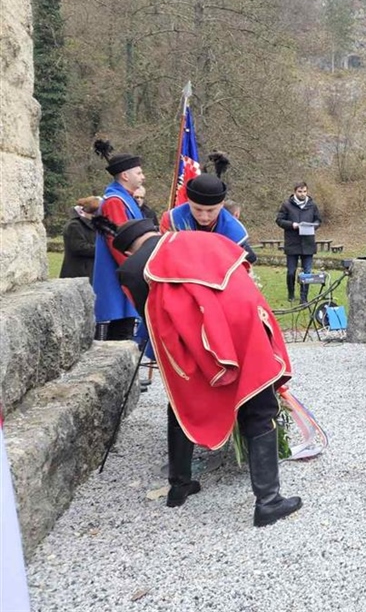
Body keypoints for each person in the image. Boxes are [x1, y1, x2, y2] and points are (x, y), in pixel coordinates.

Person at [107, 219, 302, 527]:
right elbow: (245, 263)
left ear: (131, 249)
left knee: (182, 403)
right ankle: (268, 501)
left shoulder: (131, 270)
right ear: (157, 233)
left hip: (188, 347)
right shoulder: (200, 240)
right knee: (259, 408)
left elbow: (150, 316)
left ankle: (179, 486)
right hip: (242, 329)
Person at [92, 138, 145, 340]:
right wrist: (135, 267)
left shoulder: (124, 198)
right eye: (138, 173)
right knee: (121, 331)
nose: (143, 177)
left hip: (127, 270)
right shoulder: (115, 201)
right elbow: (119, 241)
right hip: (122, 274)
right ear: (125, 175)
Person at [161, 153, 257, 264]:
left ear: (221, 204)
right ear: (189, 201)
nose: (204, 217)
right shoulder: (171, 220)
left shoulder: (235, 232)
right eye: (198, 209)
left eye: (211, 210)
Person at [276, 182, 322, 304]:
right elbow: (279, 220)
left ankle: (304, 297)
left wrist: (314, 226)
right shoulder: (286, 205)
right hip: (292, 242)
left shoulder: (312, 205)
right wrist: (293, 225)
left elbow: (318, 219)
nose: (302, 194)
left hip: (308, 243)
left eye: (304, 191)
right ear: (295, 192)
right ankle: (291, 293)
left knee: (307, 272)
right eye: (300, 192)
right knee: (291, 271)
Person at [60, 196, 101, 280]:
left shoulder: (95, 225)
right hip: (78, 272)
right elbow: (79, 247)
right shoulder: (74, 225)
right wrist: (102, 249)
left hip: (90, 270)